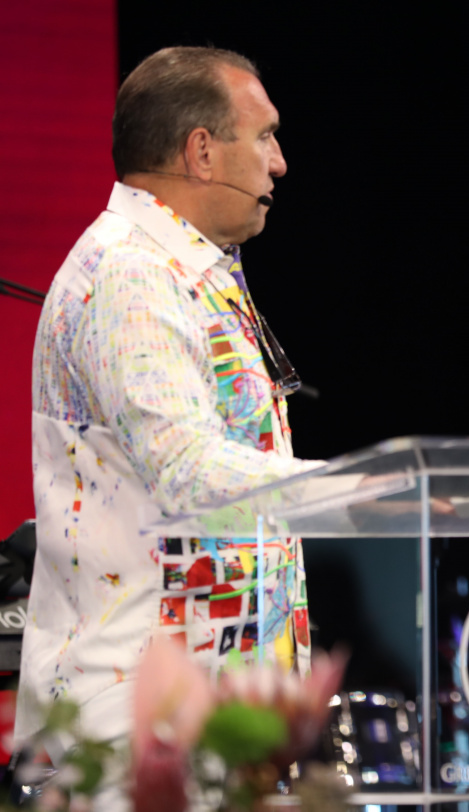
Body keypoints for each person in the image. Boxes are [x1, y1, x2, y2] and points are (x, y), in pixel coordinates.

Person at [16, 48, 316, 772]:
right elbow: (186, 471)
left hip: (208, 718)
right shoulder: (132, 272)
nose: (279, 164)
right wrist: (362, 491)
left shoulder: (189, 266)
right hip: (133, 730)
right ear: (202, 151)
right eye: (265, 136)